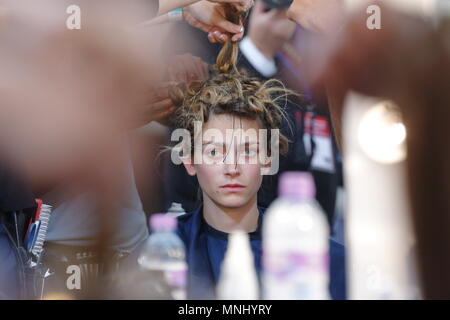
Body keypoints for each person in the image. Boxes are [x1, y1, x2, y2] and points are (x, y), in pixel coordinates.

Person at [168, 9, 347, 298]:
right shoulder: (165, 251)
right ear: (189, 159)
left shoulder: (320, 256)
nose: (232, 167)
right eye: (215, 151)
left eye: (248, 150)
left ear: (268, 158)